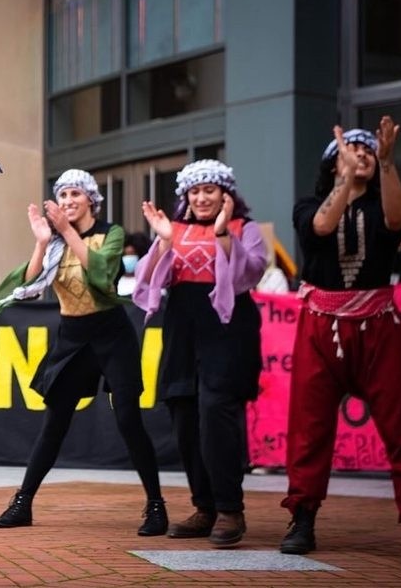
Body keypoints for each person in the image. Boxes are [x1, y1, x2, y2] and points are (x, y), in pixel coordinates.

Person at [0, 169, 168, 537]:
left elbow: (101, 273)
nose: (67, 201)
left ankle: (156, 505)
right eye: (62, 195)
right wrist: (40, 241)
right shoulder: (53, 241)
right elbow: (30, 280)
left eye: (75, 194)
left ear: (91, 200)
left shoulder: (110, 234)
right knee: (54, 423)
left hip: (112, 333)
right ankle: (23, 502)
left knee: (128, 419)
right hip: (73, 336)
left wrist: (66, 232)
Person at [281, 119, 401, 566]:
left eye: (368, 150)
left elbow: (399, 221)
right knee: (309, 427)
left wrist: (385, 162)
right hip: (321, 326)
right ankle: (302, 516)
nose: (361, 154)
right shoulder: (308, 205)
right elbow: (321, 229)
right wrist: (344, 178)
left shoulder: (384, 203)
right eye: (353, 150)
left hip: (378, 324)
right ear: (332, 163)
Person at [133, 159, 266, 548]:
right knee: (184, 413)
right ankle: (204, 506)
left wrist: (224, 235)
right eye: (195, 191)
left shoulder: (246, 229)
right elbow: (145, 280)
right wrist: (162, 241)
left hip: (227, 330)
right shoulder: (173, 230)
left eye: (210, 190)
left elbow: (251, 273)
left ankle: (229, 508)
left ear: (226, 193)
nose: (202, 197)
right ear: (186, 197)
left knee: (215, 413)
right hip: (182, 329)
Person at [117, 232, 150, 297]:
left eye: (133, 254)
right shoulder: (114, 284)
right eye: (125, 254)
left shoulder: (150, 285)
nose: (128, 258)